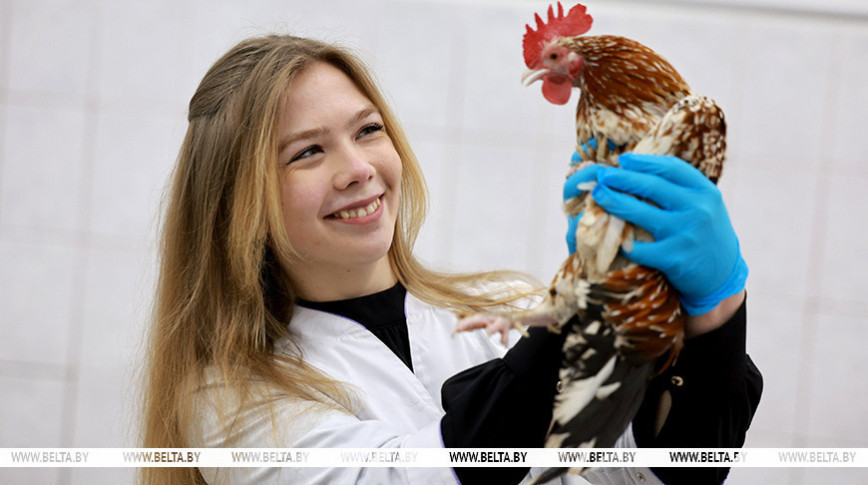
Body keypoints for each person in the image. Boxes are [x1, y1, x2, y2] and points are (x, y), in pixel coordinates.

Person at [140, 34, 762, 485]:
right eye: (307, 152)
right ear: (238, 202)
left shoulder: (511, 309)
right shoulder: (234, 400)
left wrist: (715, 315)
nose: (358, 170)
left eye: (367, 130)